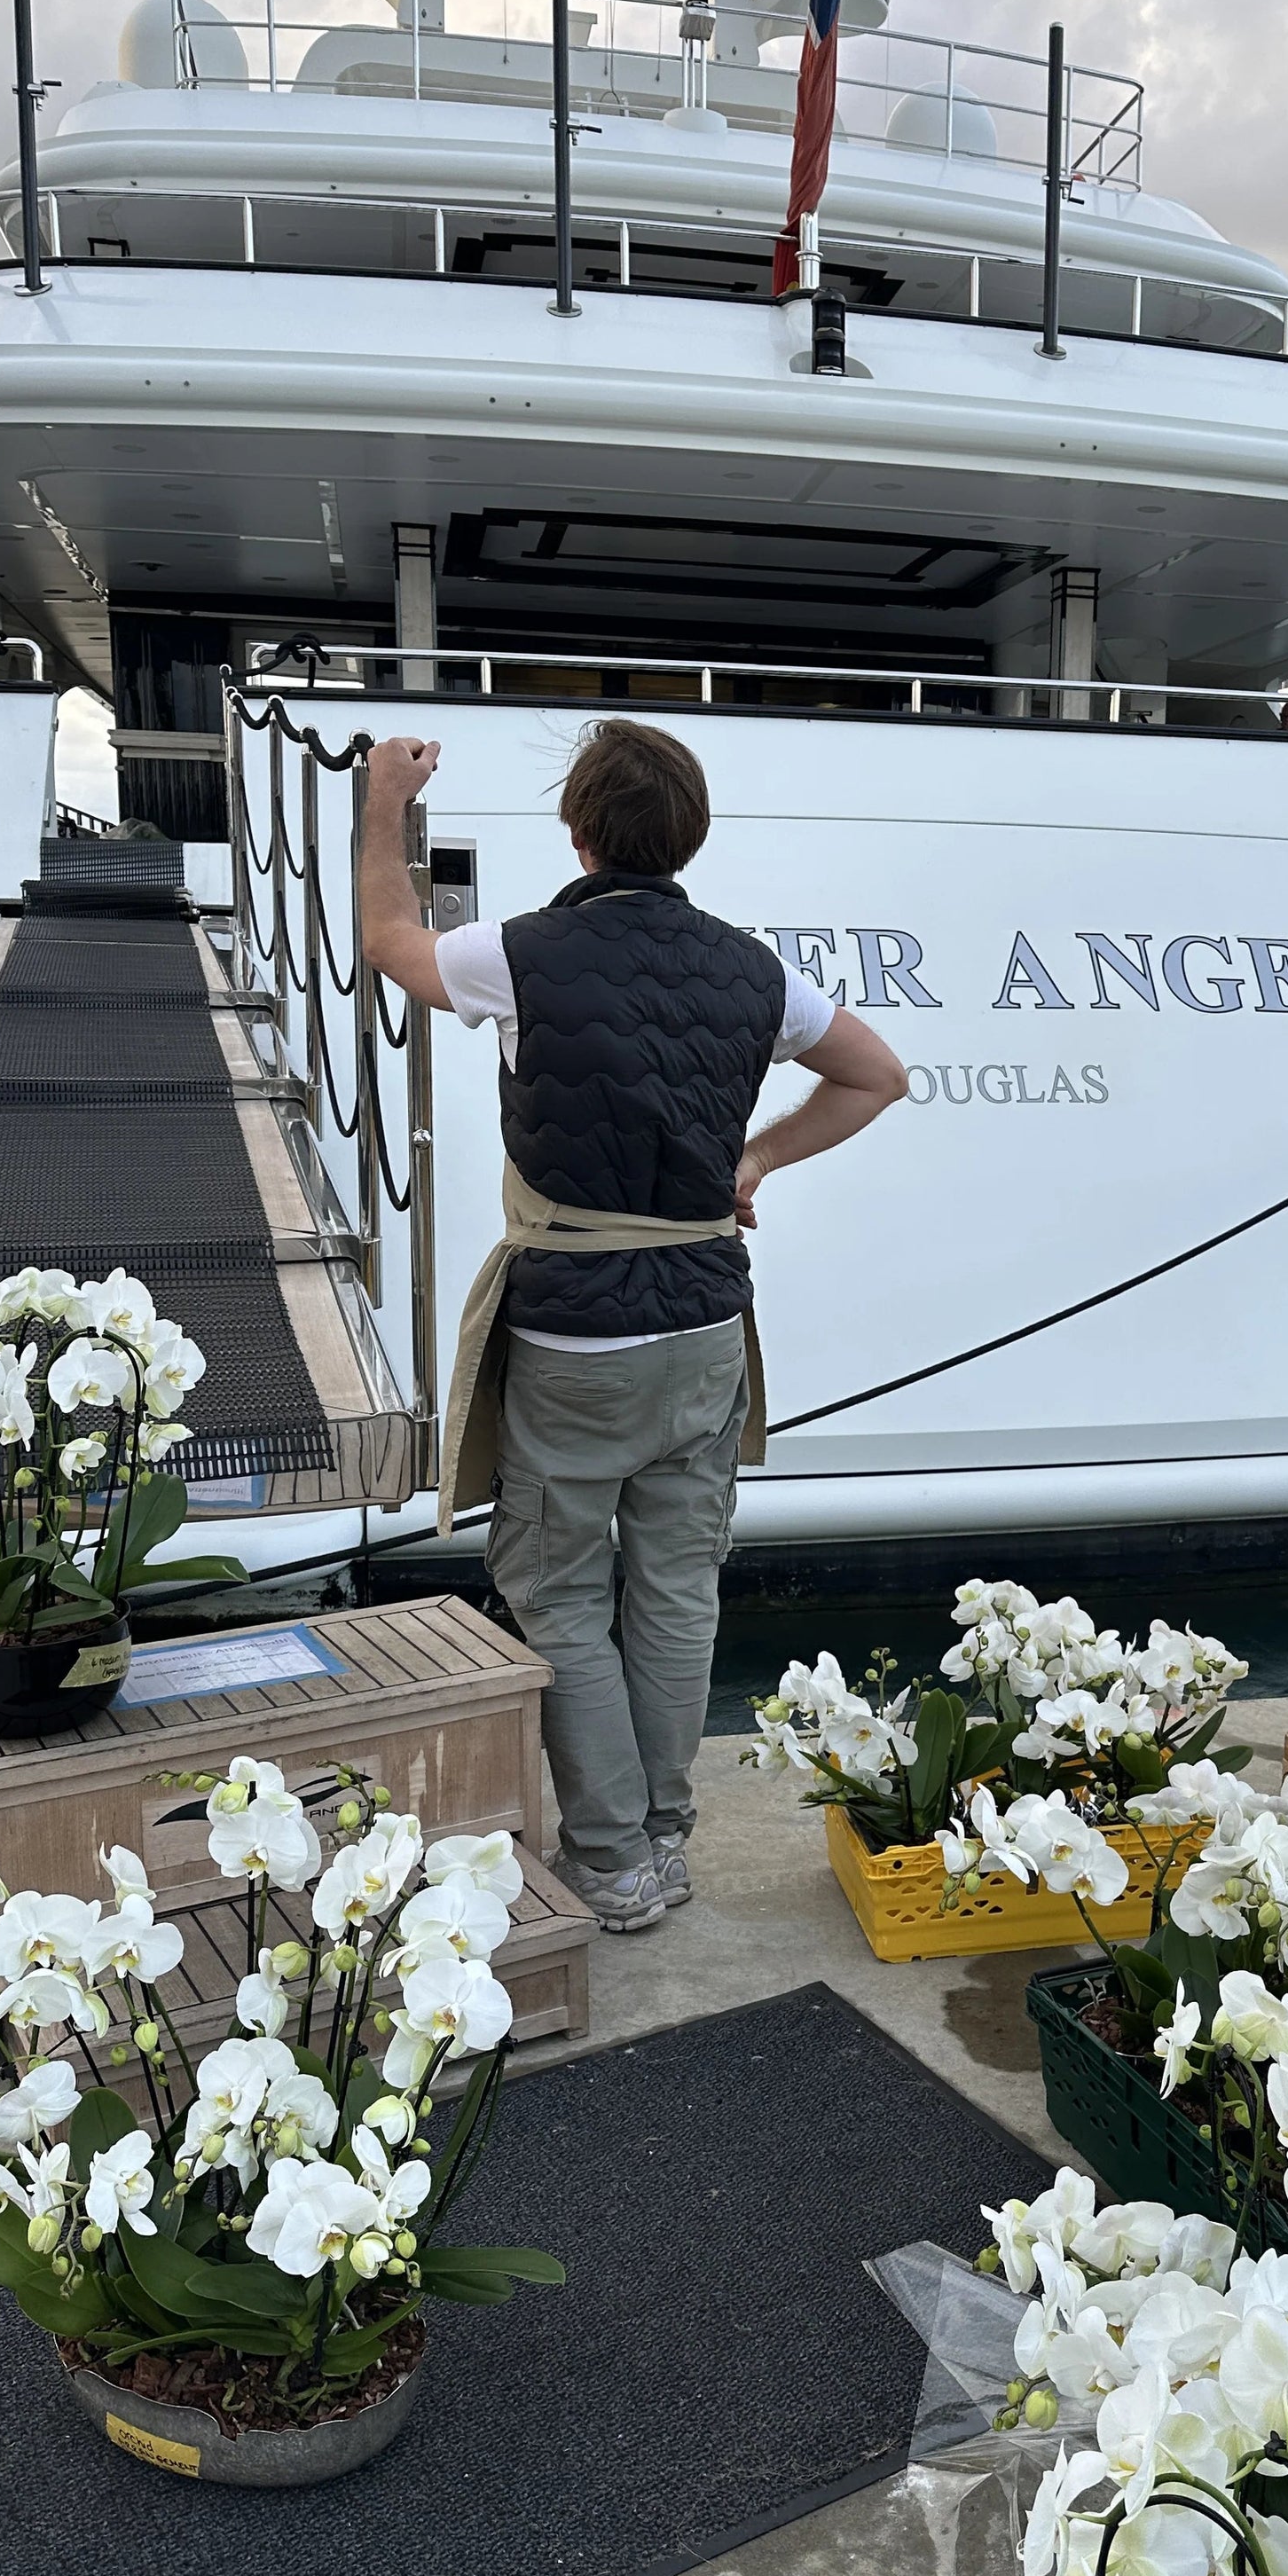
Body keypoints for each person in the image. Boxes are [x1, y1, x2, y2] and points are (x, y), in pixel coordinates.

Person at [358, 719, 908, 1932]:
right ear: (689, 838)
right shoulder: (757, 972)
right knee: (674, 1588)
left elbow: (393, 940)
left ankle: (610, 1860)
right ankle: (663, 1835)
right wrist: (753, 1159)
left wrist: (381, 808)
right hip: (708, 1321)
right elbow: (879, 1074)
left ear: (581, 834)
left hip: (576, 1335)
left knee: (557, 1590)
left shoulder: (523, 956)